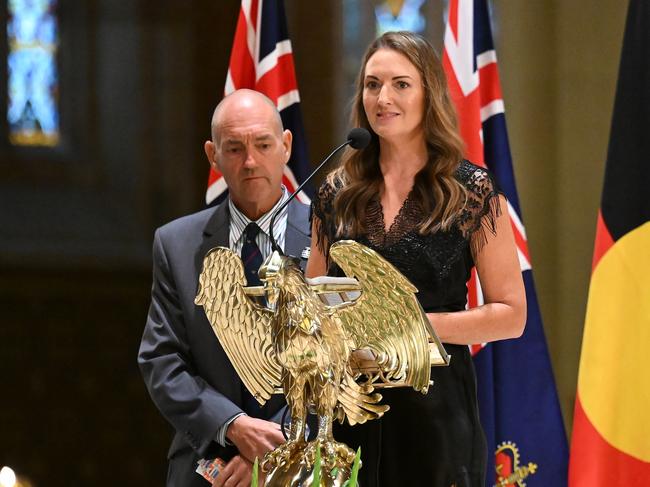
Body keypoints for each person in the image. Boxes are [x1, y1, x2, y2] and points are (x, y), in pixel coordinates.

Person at [306, 31, 526, 487]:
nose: (382, 97)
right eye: (371, 84)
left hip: (438, 419)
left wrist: (408, 324)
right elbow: (316, 306)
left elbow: (511, 315)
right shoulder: (334, 193)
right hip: (353, 418)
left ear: (430, 94)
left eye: (401, 84)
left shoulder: (471, 191)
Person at [138, 89, 311, 487]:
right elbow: (161, 361)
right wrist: (233, 427)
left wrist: (273, 447)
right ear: (212, 156)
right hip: (208, 470)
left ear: (285, 146)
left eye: (263, 145)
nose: (250, 161)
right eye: (233, 149)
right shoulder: (177, 244)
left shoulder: (330, 236)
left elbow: (346, 365)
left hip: (307, 464)